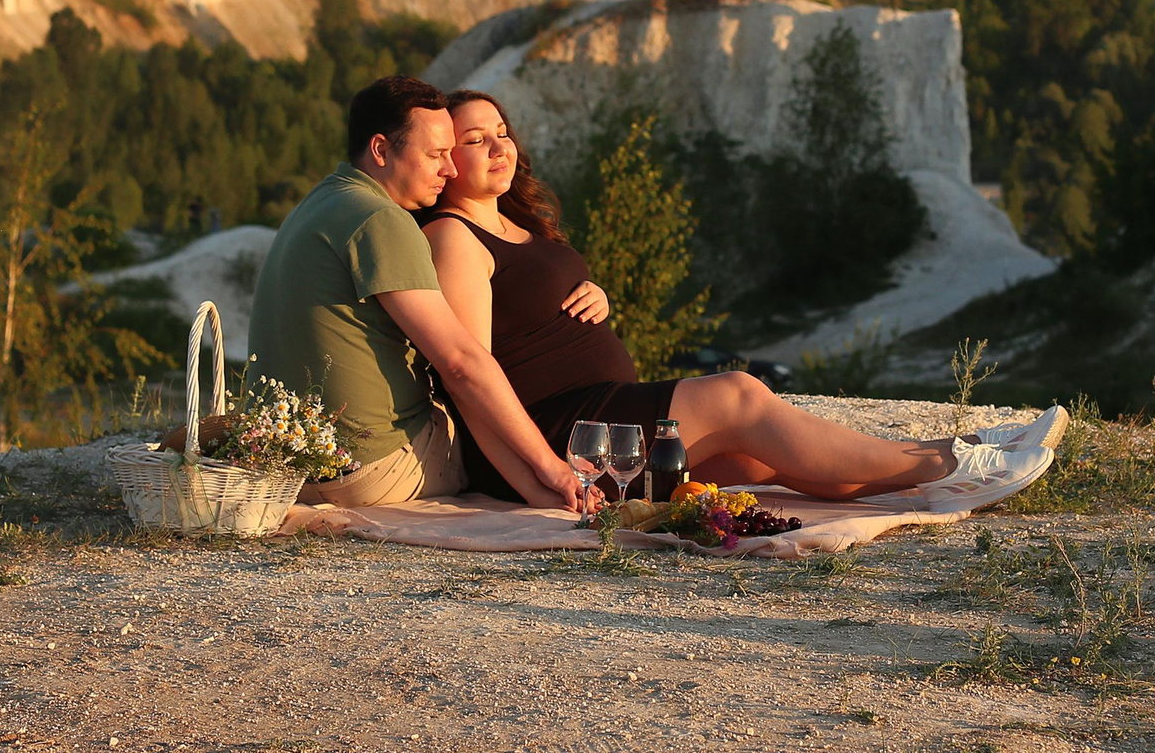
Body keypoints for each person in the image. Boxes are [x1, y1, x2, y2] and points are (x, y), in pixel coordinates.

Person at [420, 88, 1063, 506]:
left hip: (604, 409)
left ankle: (952, 479)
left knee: (760, 464)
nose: (499, 146)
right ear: (447, 160)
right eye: (475, 140)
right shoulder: (453, 236)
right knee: (740, 394)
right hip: (568, 434)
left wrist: (594, 297)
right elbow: (471, 374)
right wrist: (539, 479)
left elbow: (529, 310)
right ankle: (955, 459)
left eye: (501, 131)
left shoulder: (518, 225)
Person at [246, 76, 591, 512]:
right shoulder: (381, 220)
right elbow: (460, 364)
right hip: (373, 470)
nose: (449, 171)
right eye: (435, 155)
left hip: (292, 464)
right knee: (478, 409)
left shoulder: (324, 201)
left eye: (450, 154)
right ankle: (552, 496)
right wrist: (552, 466)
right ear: (381, 149)